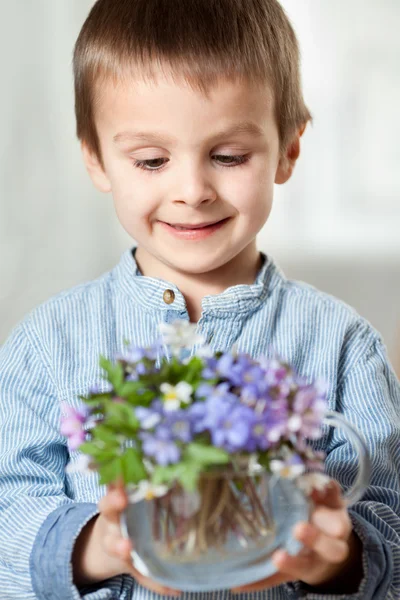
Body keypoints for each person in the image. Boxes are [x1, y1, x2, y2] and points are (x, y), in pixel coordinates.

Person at [0, 0, 399, 598]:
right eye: (152, 160)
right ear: (95, 157)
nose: (191, 190)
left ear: (289, 150)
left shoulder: (342, 342)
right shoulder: (48, 341)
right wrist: (95, 547)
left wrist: (336, 563)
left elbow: (390, 527)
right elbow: (9, 508)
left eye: (229, 156)